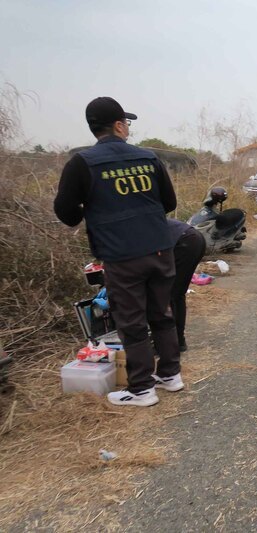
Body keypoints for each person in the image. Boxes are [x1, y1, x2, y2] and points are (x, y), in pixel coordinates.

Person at [54, 97, 182, 407]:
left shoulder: (82, 163)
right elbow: (169, 203)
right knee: (162, 312)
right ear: (119, 125)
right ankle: (170, 374)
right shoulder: (149, 158)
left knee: (131, 321)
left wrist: (93, 208)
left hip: (121, 255)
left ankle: (141, 389)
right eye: (127, 123)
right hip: (160, 249)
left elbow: (66, 211)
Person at [166, 218, 206, 352]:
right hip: (194, 238)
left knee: (170, 294)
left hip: (185, 241)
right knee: (177, 294)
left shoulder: (130, 233)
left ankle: (173, 343)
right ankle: (178, 341)